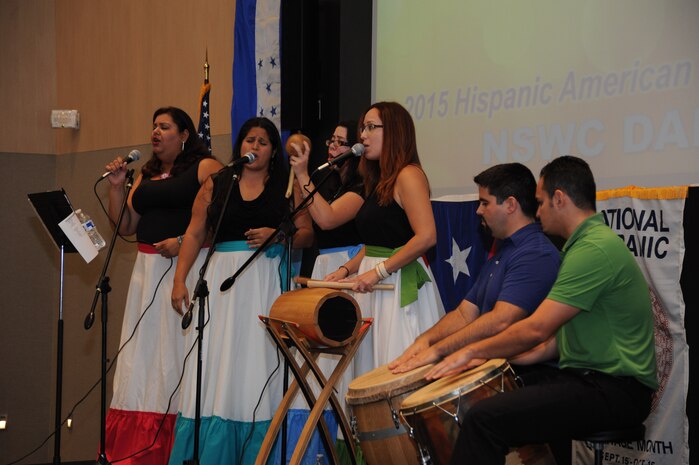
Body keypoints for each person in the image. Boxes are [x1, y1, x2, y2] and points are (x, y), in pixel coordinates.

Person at [426, 156, 658, 465]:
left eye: (541, 202)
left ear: (559, 198)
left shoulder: (593, 249)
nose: (537, 212)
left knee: (483, 418)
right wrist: (512, 356)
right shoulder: (583, 244)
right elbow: (564, 338)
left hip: (615, 389)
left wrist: (470, 352)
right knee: (504, 396)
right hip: (593, 380)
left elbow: (536, 328)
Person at [168, 117, 313, 465]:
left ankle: (257, 453)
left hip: (262, 284)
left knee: (255, 365)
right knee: (216, 366)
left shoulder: (286, 187)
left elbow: (308, 234)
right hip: (219, 284)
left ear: (273, 151)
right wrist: (179, 279)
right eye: (250, 140)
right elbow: (193, 233)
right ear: (240, 146)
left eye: (264, 142)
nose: (255, 147)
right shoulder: (218, 183)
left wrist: (277, 235)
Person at [103, 107, 223, 465]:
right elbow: (124, 225)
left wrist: (184, 239)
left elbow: (222, 218)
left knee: (175, 356)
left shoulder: (205, 167)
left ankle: (180, 448)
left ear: (184, 134)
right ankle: (139, 449)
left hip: (185, 269)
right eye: (153, 126)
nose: (155, 132)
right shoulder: (146, 173)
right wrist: (116, 188)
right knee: (143, 358)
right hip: (145, 272)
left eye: (164, 126)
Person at [388, 162, 561, 375]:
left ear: (510, 205)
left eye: (484, 203)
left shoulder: (535, 254)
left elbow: (501, 320)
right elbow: (464, 313)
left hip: (527, 378)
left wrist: (439, 350)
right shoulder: (504, 252)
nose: (478, 210)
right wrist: (425, 340)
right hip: (497, 371)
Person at [317, 101, 444, 371]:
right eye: (363, 128)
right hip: (375, 282)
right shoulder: (379, 180)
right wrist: (345, 270)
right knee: (369, 367)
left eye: (371, 127)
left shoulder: (408, 175)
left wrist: (378, 273)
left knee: (395, 366)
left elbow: (426, 236)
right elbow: (375, 245)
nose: (362, 135)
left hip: (397, 283)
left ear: (395, 132)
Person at [287, 121, 364, 462]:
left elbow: (327, 219)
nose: (332, 147)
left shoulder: (363, 183)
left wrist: (304, 174)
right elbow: (303, 217)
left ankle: (347, 446)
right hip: (322, 267)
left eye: (341, 142)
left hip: (352, 268)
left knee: (346, 364)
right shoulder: (324, 178)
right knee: (318, 366)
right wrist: (300, 174)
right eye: (331, 140)